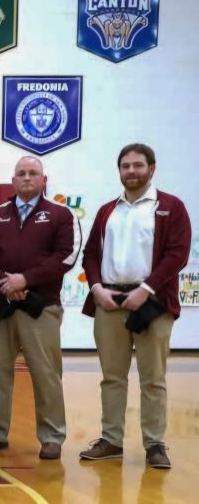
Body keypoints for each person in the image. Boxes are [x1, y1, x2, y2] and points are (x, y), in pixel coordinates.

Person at [79, 143, 191, 469]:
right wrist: (97, 287)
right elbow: (90, 255)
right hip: (109, 303)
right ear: (119, 171)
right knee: (112, 377)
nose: (131, 171)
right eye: (125, 166)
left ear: (152, 169)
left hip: (152, 303)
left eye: (138, 165)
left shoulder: (170, 207)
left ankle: (155, 444)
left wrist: (146, 288)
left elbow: (177, 254)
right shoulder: (106, 211)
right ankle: (111, 440)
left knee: (153, 378)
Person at [0, 156, 82, 460]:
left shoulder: (61, 215)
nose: (27, 178)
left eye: (33, 173)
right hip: (0, 305)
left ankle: (51, 436)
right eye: (21, 173)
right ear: (13, 180)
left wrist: (25, 280)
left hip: (41, 306)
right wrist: (4, 283)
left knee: (45, 373)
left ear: (44, 180)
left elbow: (67, 256)